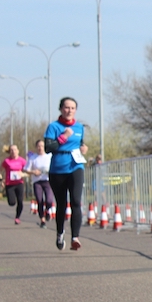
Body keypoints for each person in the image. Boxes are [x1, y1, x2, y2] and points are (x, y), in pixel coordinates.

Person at [45, 97, 88, 250]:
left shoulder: (79, 127)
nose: (69, 111)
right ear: (61, 109)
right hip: (58, 169)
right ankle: (60, 234)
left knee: (76, 201)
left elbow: (80, 142)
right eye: (66, 107)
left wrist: (83, 147)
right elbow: (48, 148)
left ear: (75, 110)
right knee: (61, 204)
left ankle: (75, 237)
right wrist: (64, 137)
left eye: (72, 108)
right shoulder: (53, 127)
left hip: (76, 166)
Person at [24, 139, 54, 228]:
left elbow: (55, 166)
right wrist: (33, 172)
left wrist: (50, 171)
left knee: (49, 200)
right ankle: (42, 220)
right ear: (36, 147)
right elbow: (26, 169)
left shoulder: (49, 156)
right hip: (37, 182)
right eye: (38, 146)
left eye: (42, 146)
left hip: (48, 180)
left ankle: (47, 210)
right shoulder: (33, 158)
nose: (40, 148)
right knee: (39, 200)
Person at [1, 144, 28, 224]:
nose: (13, 151)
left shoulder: (22, 161)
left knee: (20, 201)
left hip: (19, 183)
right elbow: (1, 170)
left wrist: (23, 174)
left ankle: (17, 217)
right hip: (9, 184)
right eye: (12, 150)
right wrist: (1, 180)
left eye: (15, 149)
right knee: (12, 202)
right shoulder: (6, 161)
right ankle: (12, 200)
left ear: (18, 151)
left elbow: (28, 172)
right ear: (9, 152)